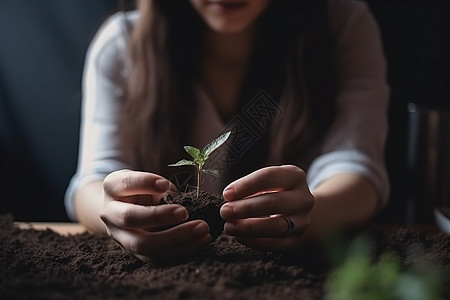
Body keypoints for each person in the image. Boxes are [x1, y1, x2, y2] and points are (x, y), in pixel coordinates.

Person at [65, 0, 390, 262]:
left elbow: (357, 165)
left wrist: (313, 213)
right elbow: (92, 181)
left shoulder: (341, 26)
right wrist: (115, 213)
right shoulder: (121, 46)